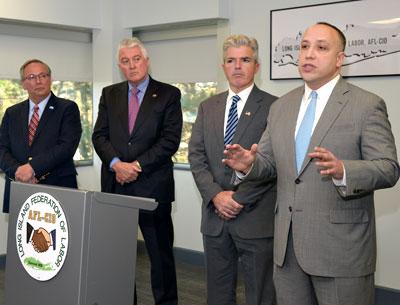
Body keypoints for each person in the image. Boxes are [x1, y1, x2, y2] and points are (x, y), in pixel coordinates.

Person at [223, 22, 399, 305]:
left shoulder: (366, 105)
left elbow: (388, 167)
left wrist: (345, 171)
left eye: (321, 47)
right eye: (304, 46)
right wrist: (248, 164)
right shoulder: (281, 107)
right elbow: (268, 163)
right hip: (287, 249)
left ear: (339, 59)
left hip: (341, 250)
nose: (309, 54)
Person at [92, 37, 182, 305]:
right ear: (119, 65)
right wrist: (116, 164)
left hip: (152, 186)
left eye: (136, 59)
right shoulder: (110, 94)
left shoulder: (168, 94)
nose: (131, 65)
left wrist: (137, 166)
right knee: (118, 257)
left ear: (147, 61)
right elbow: (99, 136)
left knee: (160, 256)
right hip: (115, 185)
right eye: (124, 61)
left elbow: (169, 140)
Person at [189, 34, 277, 305]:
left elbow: (274, 164)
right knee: (218, 293)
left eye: (245, 60)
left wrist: (237, 199)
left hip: (254, 216)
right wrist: (216, 195)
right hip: (215, 218)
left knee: (260, 294)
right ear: (223, 66)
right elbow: (197, 156)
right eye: (231, 60)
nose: (238, 66)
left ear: (257, 66)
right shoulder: (208, 106)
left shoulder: (275, 107)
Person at [0, 59, 82, 213]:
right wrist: (18, 171)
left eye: (43, 75)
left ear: (50, 79)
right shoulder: (12, 113)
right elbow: (2, 148)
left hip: (57, 186)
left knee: (57, 236)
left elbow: (66, 147)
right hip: (20, 187)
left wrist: (32, 168)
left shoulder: (67, 108)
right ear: (23, 84)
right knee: (21, 235)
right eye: (31, 77)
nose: (38, 81)